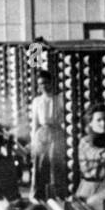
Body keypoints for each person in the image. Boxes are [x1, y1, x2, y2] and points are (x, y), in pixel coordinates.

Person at [29, 70, 66, 200]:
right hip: (42, 134)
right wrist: (33, 141)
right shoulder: (37, 101)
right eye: (40, 84)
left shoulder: (59, 99)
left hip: (56, 132)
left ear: (51, 83)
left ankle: (57, 195)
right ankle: (39, 195)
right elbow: (34, 122)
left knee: (55, 164)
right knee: (40, 163)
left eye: (45, 83)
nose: (43, 86)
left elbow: (63, 119)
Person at [75, 104, 105, 205]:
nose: (103, 123)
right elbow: (94, 153)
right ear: (90, 123)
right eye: (99, 120)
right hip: (89, 190)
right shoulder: (85, 142)